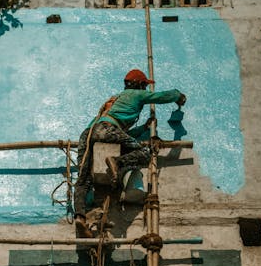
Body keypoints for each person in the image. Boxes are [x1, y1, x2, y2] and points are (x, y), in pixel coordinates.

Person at [73, 68, 186, 237]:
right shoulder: (135, 94)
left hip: (89, 134)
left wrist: (143, 128)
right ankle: (116, 162)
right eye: (144, 86)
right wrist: (178, 96)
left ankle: (80, 218)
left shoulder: (115, 100)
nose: (145, 89)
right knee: (145, 154)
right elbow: (162, 96)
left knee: (83, 178)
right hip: (107, 129)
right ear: (139, 85)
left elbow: (118, 134)